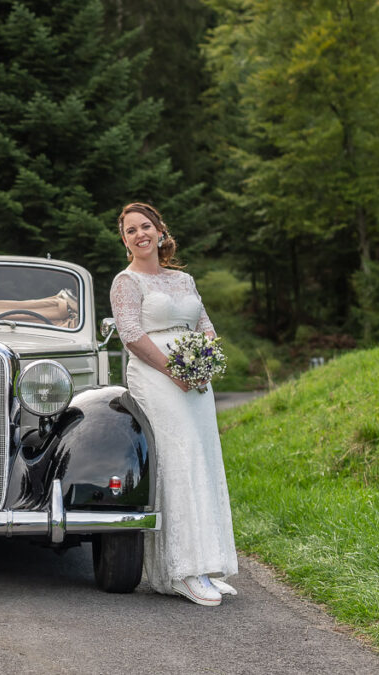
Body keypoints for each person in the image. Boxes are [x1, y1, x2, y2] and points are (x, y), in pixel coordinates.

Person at [109, 201, 238, 606]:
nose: (139, 234)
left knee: (203, 456)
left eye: (145, 226)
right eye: (130, 231)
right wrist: (173, 370)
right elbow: (130, 334)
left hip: (195, 378)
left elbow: (206, 326)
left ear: (161, 232)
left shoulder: (184, 281)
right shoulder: (125, 282)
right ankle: (182, 571)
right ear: (126, 241)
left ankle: (208, 564)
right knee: (179, 458)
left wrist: (205, 362)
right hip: (156, 375)